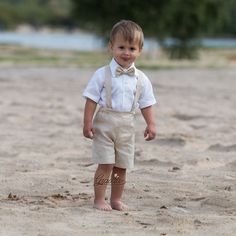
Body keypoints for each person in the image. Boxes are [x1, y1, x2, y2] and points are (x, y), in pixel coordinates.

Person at [83, 20, 156, 211]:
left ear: (140, 50)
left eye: (132, 48)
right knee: (105, 163)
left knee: (121, 167)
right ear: (111, 47)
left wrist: (151, 124)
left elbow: (146, 103)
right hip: (104, 124)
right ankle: (99, 199)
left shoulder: (142, 78)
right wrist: (87, 122)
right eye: (121, 47)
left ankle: (116, 199)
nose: (126, 52)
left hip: (126, 125)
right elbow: (90, 100)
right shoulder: (102, 74)